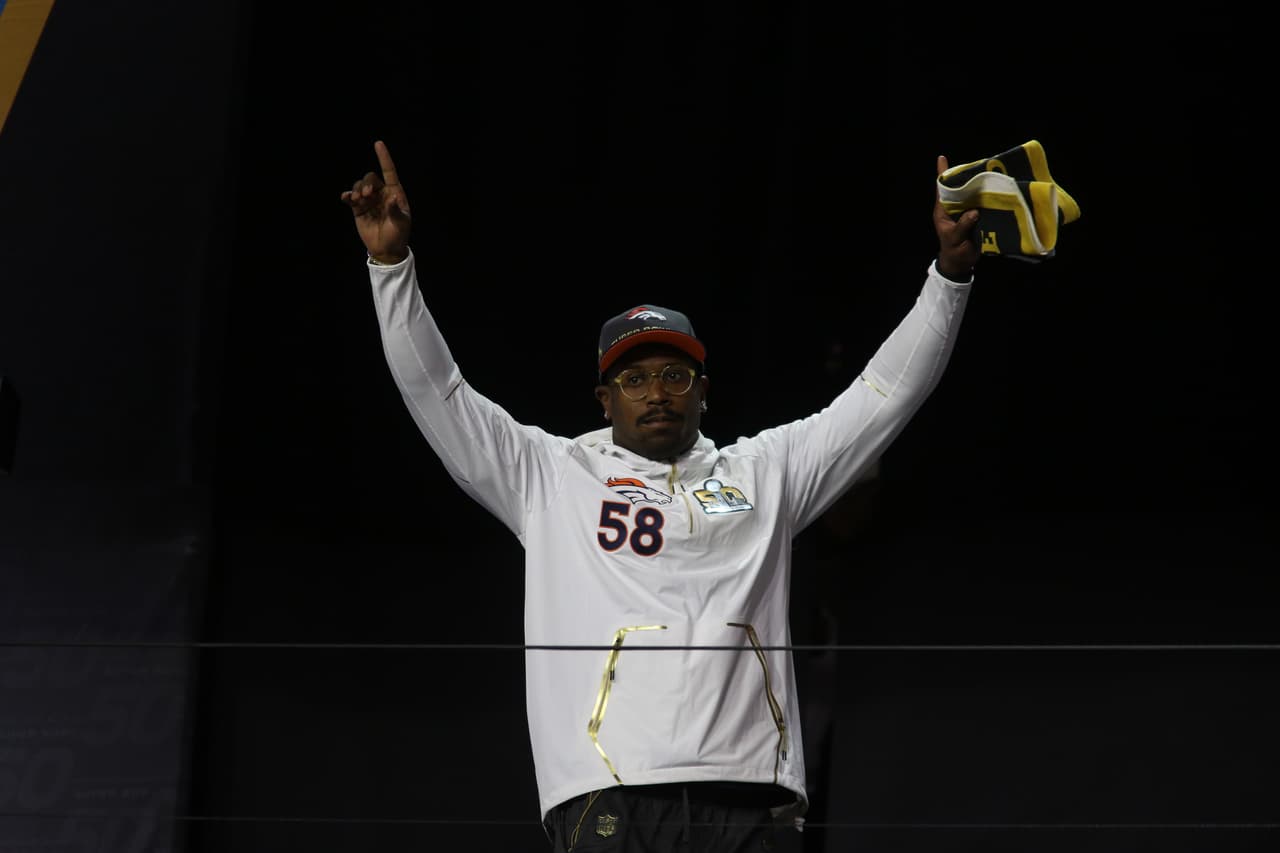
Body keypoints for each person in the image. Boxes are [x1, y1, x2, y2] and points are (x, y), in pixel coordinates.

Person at [341, 139, 980, 852]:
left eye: (675, 377)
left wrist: (950, 276)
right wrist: (391, 268)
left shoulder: (766, 470)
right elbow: (440, 393)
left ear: (704, 394)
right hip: (607, 789)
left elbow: (884, 395)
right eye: (635, 378)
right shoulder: (549, 475)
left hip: (751, 793)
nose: (656, 393)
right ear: (603, 399)